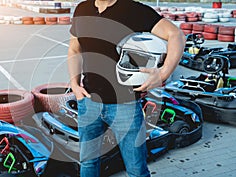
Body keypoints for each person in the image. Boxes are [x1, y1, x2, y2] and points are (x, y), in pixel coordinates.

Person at [67, 0, 185, 176]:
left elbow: (176, 35)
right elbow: (74, 50)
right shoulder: (82, 8)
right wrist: (74, 84)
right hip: (88, 101)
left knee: (136, 169)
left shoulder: (133, 9)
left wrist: (163, 74)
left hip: (125, 105)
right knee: (88, 163)